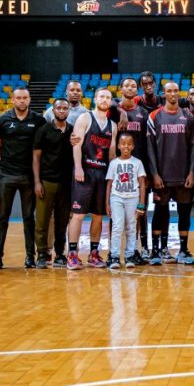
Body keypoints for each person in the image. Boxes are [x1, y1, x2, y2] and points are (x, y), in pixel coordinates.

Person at [0, 86, 45, 269]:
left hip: (29, 176)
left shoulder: (38, 120)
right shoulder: (2, 120)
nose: (22, 101)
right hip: (7, 175)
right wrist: (5, 160)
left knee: (28, 218)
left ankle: (30, 257)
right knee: (2, 217)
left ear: (29, 99)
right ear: (13, 100)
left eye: (25, 98)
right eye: (19, 98)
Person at [147, 81, 194, 265]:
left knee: (184, 214)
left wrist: (192, 172)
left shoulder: (188, 116)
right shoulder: (154, 116)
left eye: (176, 91)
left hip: (183, 176)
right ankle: (156, 251)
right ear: (164, 94)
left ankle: (183, 251)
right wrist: (154, 174)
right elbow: (150, 149)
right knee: (160, 213)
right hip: (162, 176)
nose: (173, 94)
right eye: (169, 91)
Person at [68, 88, 117, 270]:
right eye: (101, 96)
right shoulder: (85, 118)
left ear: (111, 101)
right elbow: (77, 145)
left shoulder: (112, 126)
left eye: (108, 97)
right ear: (95, 99)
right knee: (78, 215)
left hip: (102, 173)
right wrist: (78, 167)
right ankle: (72, 254)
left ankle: (94, 254)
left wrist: (113, 176)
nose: (104, 99)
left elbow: (111, 154)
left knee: (98, 216)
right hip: (85, 171)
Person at [32, 98, 72, 268]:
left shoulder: (73, 131)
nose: (62, 111)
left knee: (62, 221)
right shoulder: (43, 130)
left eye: (65, 108)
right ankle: (42, 254)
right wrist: (37, 182)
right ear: (53, 110)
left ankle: (60, 254)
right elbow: (36, 157)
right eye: (59, 108)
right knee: (42, 220)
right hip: (47, 181)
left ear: (68, 110)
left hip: (66, 184)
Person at [115, 77, 150, 261]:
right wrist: (120, 111)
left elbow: (147, 144)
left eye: (133, 86)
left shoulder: (143, 113)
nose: (130, 88)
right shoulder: (113, 110)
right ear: (121, 89)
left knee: (138, 212)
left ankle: (135, 249)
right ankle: (114, 252)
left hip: (137, 169)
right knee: (115, 214)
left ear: (137, 90)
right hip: (117, 169)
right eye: (126, 85)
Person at [105, 133, 147, 270]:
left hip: (133, 198)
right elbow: (109, 184)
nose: (126, 146)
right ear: (118, 146)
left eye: (129, 144)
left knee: (131, 227)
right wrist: (107, 203)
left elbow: (142, 184)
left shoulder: (137, 163)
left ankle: (129, 256)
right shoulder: (114, 163)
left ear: (133, 146)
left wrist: (141, 204)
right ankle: (114, 256)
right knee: (117, 227)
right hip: (116, 198)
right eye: (123, 144)